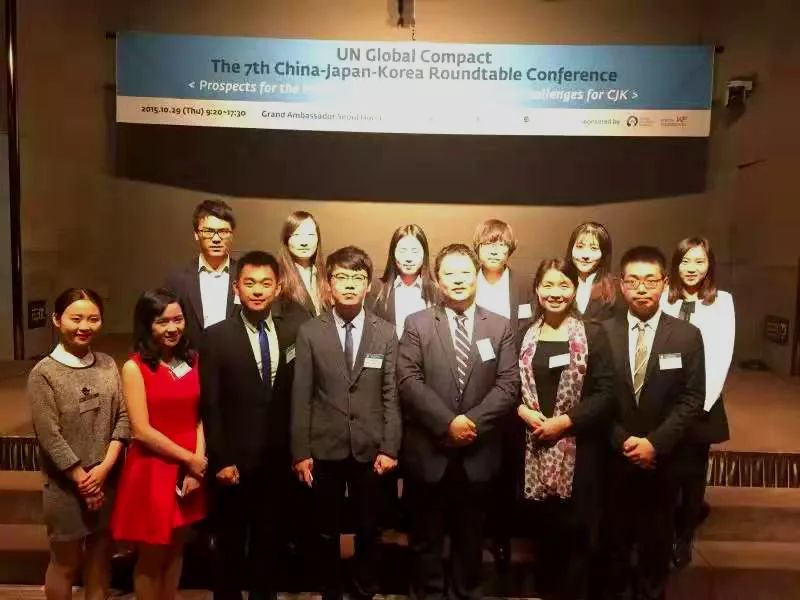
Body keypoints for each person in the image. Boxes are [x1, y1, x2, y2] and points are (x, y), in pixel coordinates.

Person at [397, 243, 520, 600]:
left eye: (465, 272)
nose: (458, 279)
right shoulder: (417, 323)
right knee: (426, 539)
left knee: (471, 539)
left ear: (476, 276)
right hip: (429, 452)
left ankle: (465, 592)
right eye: (449, 273)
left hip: (478, 452)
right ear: (437, 279)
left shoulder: (499, 326)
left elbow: (508, 384)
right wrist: (447, 423)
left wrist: (471, 423)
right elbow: (408, 380)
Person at [292, 246, 402, 600]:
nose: (350, 285)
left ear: (369, 285)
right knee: (324, 527)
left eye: (358, 278)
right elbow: (302, 395)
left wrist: (390, 447)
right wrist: (300, 451)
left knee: (370, 526)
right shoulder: (311, 332)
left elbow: (391, 395)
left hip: (371, 447)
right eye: (341, 277)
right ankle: (330, 589)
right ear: (329, 284)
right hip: (324, 446)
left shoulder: (385, 332)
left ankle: (365, 588)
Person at [200, 251, 310, 600]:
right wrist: (221, 459)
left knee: (269, 542)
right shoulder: (216, 336)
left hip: (277, 458)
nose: (257, 290)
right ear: (237, 288)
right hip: (233, 460)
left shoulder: (293, 332)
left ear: (277, 288)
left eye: (265, 283)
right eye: (249, 283)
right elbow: (211, 404)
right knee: (230, 545)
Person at [599, 246, 704, 600]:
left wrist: (654, 443)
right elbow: (593, 396)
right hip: (614, 457)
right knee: (613, 547)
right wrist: (622, 441)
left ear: (664, 283)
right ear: (621, 285)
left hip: (664, 459)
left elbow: (692, 398)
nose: (641, 289)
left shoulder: (687, 335)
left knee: (655, 548)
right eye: (633, 281)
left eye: (650, 280)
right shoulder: (601, 332)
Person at [516, 260, 614, 600]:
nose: (555, 293)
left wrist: (565, 422)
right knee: (543, 534)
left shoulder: (593, 334)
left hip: (579, 450)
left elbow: (606, 393)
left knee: (577, 536)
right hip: (534, 448)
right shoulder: (523, 334)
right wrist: (522, 411)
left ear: (574, 290)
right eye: (548, 285)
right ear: (537, 289)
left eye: (563, 285)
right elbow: (510, 386)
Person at [28, 288, 129, 600]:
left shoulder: (107, 364)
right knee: (65, 564)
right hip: (66, 487)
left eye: (93, 319)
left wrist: (105, 469)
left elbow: (123, 417)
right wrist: (83, 480)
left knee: (101, 560)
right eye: (76, 318)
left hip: (107, 480)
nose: (84, 326)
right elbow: (49, 435)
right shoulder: (44, 373)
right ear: (57, 320)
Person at [111, 289, 207, 600]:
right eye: (162, 322)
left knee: (177, 551)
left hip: (189, 469)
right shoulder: (135, 367)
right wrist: (189, 460)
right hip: (153, 469)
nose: (172, 328)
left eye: (178, 320)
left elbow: (200, 417)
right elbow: (141, 430)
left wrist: (197, 464)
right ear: (146, 324)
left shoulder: (192, 360)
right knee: (151, 557)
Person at [661, 237, 734, 568]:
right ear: (676, 264)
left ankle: (684, 536)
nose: (692, 268)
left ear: (709, 265)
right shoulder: (665, 297)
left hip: (703, 403)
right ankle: (662, 533)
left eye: (699, 261)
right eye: (685, 261)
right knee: (664, 472)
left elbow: (722, 354)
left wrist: (700, 405)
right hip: (664, 402)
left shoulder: (722, 302)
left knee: (692, 475)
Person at [472, 218, 532, 568]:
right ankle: (473, 531)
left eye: (501, 244)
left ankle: (501, 536)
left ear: (510, 248)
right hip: (471, 386)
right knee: (474, 463)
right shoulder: (467, 280)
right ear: (477, 248)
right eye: (488, 243)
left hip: (514, 388)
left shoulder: (525, 285)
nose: (494, 250)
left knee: (507, 466)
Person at [165, 199, 239, 346]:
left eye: (223, 232)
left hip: (234, 355)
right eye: (208, 231)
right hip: (192, 355)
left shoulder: (244, 276)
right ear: (196, 234)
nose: (216, 239)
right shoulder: (178, 279)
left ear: (231, 235)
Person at [367, 224, 439, 338]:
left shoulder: (437, 292)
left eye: (415, 251)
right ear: (393, 253)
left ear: (424, 254)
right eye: (403, 251)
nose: (408, 258)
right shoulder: (377, 290)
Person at [565, 222, 619, 322]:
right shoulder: (559, 282)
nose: (585, 255)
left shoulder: (613, 287)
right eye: (580, 246)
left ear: (603, 253)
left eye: (594, 248)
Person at [277, 210, 328, 316]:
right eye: (296, 235)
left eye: (310, 235)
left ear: (318, 239)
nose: (304, 242)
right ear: (286, 240)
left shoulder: (326, 276)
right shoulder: (277, 276)